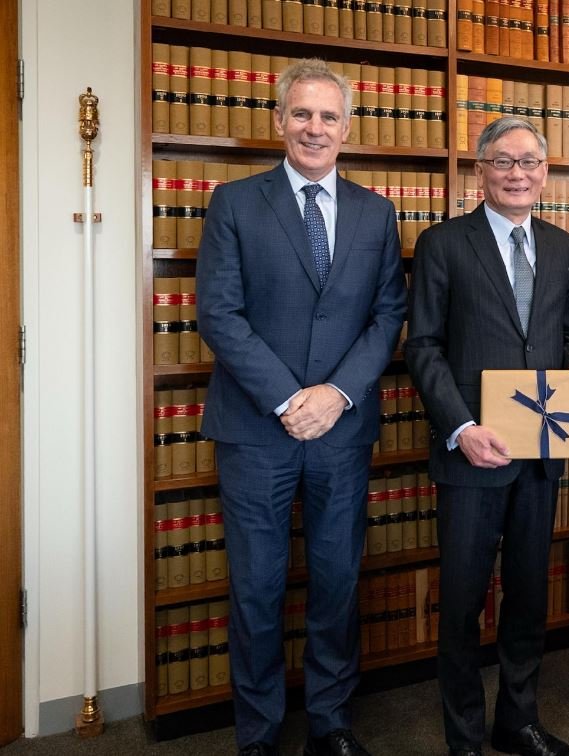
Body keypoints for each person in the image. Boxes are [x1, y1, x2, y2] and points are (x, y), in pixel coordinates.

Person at [196, 58, 407, 756]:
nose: (314, 127)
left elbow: (386, 316)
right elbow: (218, 314)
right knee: (255, 589)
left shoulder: (378, 213)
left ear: (347, 128)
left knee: (337, 581)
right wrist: (291, 399)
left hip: (342, 431)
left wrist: (336, 394)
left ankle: (329, 721)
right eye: (302, 114)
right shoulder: (233, 202)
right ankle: (257, 733)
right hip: (257, 428)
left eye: (328, 116)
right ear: (279, 121)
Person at [406, 116, 569, 756]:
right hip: (471, 452)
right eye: (504, 162)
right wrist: (461, 427)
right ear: (480, 170)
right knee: (460, 602)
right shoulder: (443, 243)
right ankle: (464, 738)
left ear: (545, 171)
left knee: (529, 597)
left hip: (541, 450)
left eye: (530, 162)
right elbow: (422, 346)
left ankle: (518, 719)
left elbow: (565, 337)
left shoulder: (564, 247)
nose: (518, 174)